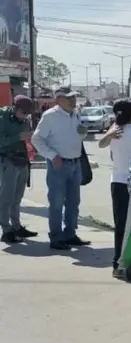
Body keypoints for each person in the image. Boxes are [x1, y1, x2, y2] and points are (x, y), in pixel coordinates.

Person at [31, 86, 90, 250]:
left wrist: (82, 132)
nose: (73, 100)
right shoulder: (50, 116)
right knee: (56, 202)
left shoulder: (76, 113)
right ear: (58, 100)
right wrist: (52, 155)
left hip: (75, 162)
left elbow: (79, 134)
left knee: (73, 201)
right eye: (68, 98)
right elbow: (37, 139)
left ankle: (70, 234)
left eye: (74, 97)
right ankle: (56, 237)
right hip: (58, 164)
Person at [102, 99, 131, 278]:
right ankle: (120, 263)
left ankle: (122, 261)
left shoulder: (113, 130)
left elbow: (106, 148)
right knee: (129, 224)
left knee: (121, 223)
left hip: (116, 181)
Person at [0, 95, 37, 243]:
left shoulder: (25, 121)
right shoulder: (3, 119)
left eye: (28, 114)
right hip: (7, 160)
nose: (26, 116)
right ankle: (6, 229)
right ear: (15, 108)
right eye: (23, 113)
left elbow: (27, 140)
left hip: (22, 160)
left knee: (17, 197)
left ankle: (16, 226)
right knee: (6, 197)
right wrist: (18, 137)